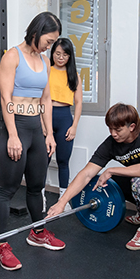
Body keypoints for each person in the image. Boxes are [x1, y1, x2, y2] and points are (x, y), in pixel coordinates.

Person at [47, 103, 140, 251]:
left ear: (131, 127)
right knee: (104, 181)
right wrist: (62, 202)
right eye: (110, 129)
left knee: (138, 182)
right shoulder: (111, 144)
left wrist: (111, 170)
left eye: (117, 129)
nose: (113, 133)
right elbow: (86, 174)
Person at [0, 12, 62, 271]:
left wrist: (50, 133)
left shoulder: (45, 61)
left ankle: (37, 232)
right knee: (7, 190)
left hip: (36, 130)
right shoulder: (12, 56)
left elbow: (46, 100)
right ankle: (0, 245)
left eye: (54, 42)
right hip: (17, 126)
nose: (50, 46)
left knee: (36, 186)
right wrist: (11, 134)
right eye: (49, 39)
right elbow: (5, 97)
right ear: (37, 31)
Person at [47, 38, 83, 201]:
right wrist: (42, 124)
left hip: (64, 118)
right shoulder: (46, 70)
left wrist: (74, 125)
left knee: (63, 160)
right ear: (52, 53)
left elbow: (78, 102)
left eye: (65, 54)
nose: (61, 58)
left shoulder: (73, 75)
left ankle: (63, 197)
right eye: (58, 53)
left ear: (70, 56)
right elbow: (39, 98)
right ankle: (40, 196)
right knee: (43, 161)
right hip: (47, 115)